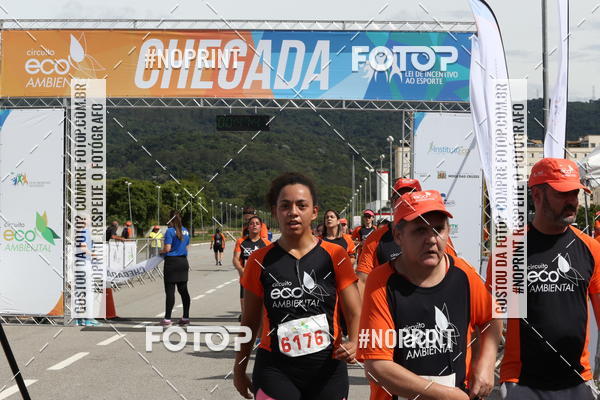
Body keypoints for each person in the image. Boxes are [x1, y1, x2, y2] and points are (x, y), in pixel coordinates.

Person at [358, 190, 501, 400]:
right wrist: (445, 396)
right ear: (398, 236)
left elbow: (492, 317)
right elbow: (377, 366)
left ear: (448, 231)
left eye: (438, 229)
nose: (432, 239)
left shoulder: (463, 273)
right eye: (420, 230)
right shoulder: (381, 282)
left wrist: (486, 365)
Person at [234, 172, 362, 400]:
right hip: (275, 369)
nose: (293, 212)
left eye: (301, 206)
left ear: (314, 212)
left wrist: (354, 341)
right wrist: (239, 368)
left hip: (328, 369)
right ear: (275, 212)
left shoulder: (336, 255)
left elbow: (355, 311)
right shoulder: (258, 261)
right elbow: (249, 322)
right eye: (285, 206)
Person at [489, 158, 600, 400]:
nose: (572, 201)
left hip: (578, 380)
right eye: (563, 193)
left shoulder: (590, 249)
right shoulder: (509, 251)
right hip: (523, 383)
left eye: (575, 193)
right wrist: (484, 367)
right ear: (537, 195)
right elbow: (492, 321)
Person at [357, 178, 458, 297]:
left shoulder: (437, 236)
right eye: (399, 197)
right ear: (392, 202)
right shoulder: (375, 239)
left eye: (411, 196)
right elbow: (363, 280)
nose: (405, 201)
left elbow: (452, 273)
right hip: (389, 304)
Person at [233, 215, 271, 317]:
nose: (254, 225)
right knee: (245, 312)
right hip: (246, 279)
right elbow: (235, 259)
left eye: (257, 224)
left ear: (261, 227)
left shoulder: (267, 243)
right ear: (248, 227)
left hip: (261, 279)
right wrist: (241, 270)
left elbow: (271, 261)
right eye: (251, 223)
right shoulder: (241, 242)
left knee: (262, 310)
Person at [159, 210, 191, 326]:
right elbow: (187, 247)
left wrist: (160, 252)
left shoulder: (170, 231)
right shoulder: (186, 231)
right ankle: (186, 317)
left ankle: (167, 318)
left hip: (172, 263)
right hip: (183, 262)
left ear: (170, 219)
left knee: (170, 292)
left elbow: (167, 248)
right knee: (183, 291)